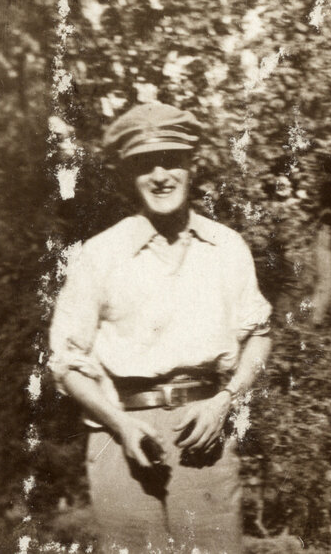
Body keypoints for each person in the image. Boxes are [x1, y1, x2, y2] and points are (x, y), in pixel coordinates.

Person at [48, 102, 272, 554]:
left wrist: (224, 403)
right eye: (144, 164)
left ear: (193, 167)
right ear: (128, 177)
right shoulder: (99, 255)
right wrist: (120, 426)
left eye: (172, 160)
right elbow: (67, 363)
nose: (161, 175)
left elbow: (259, 335)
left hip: (203, 432)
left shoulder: (226, 248)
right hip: (120, 435)